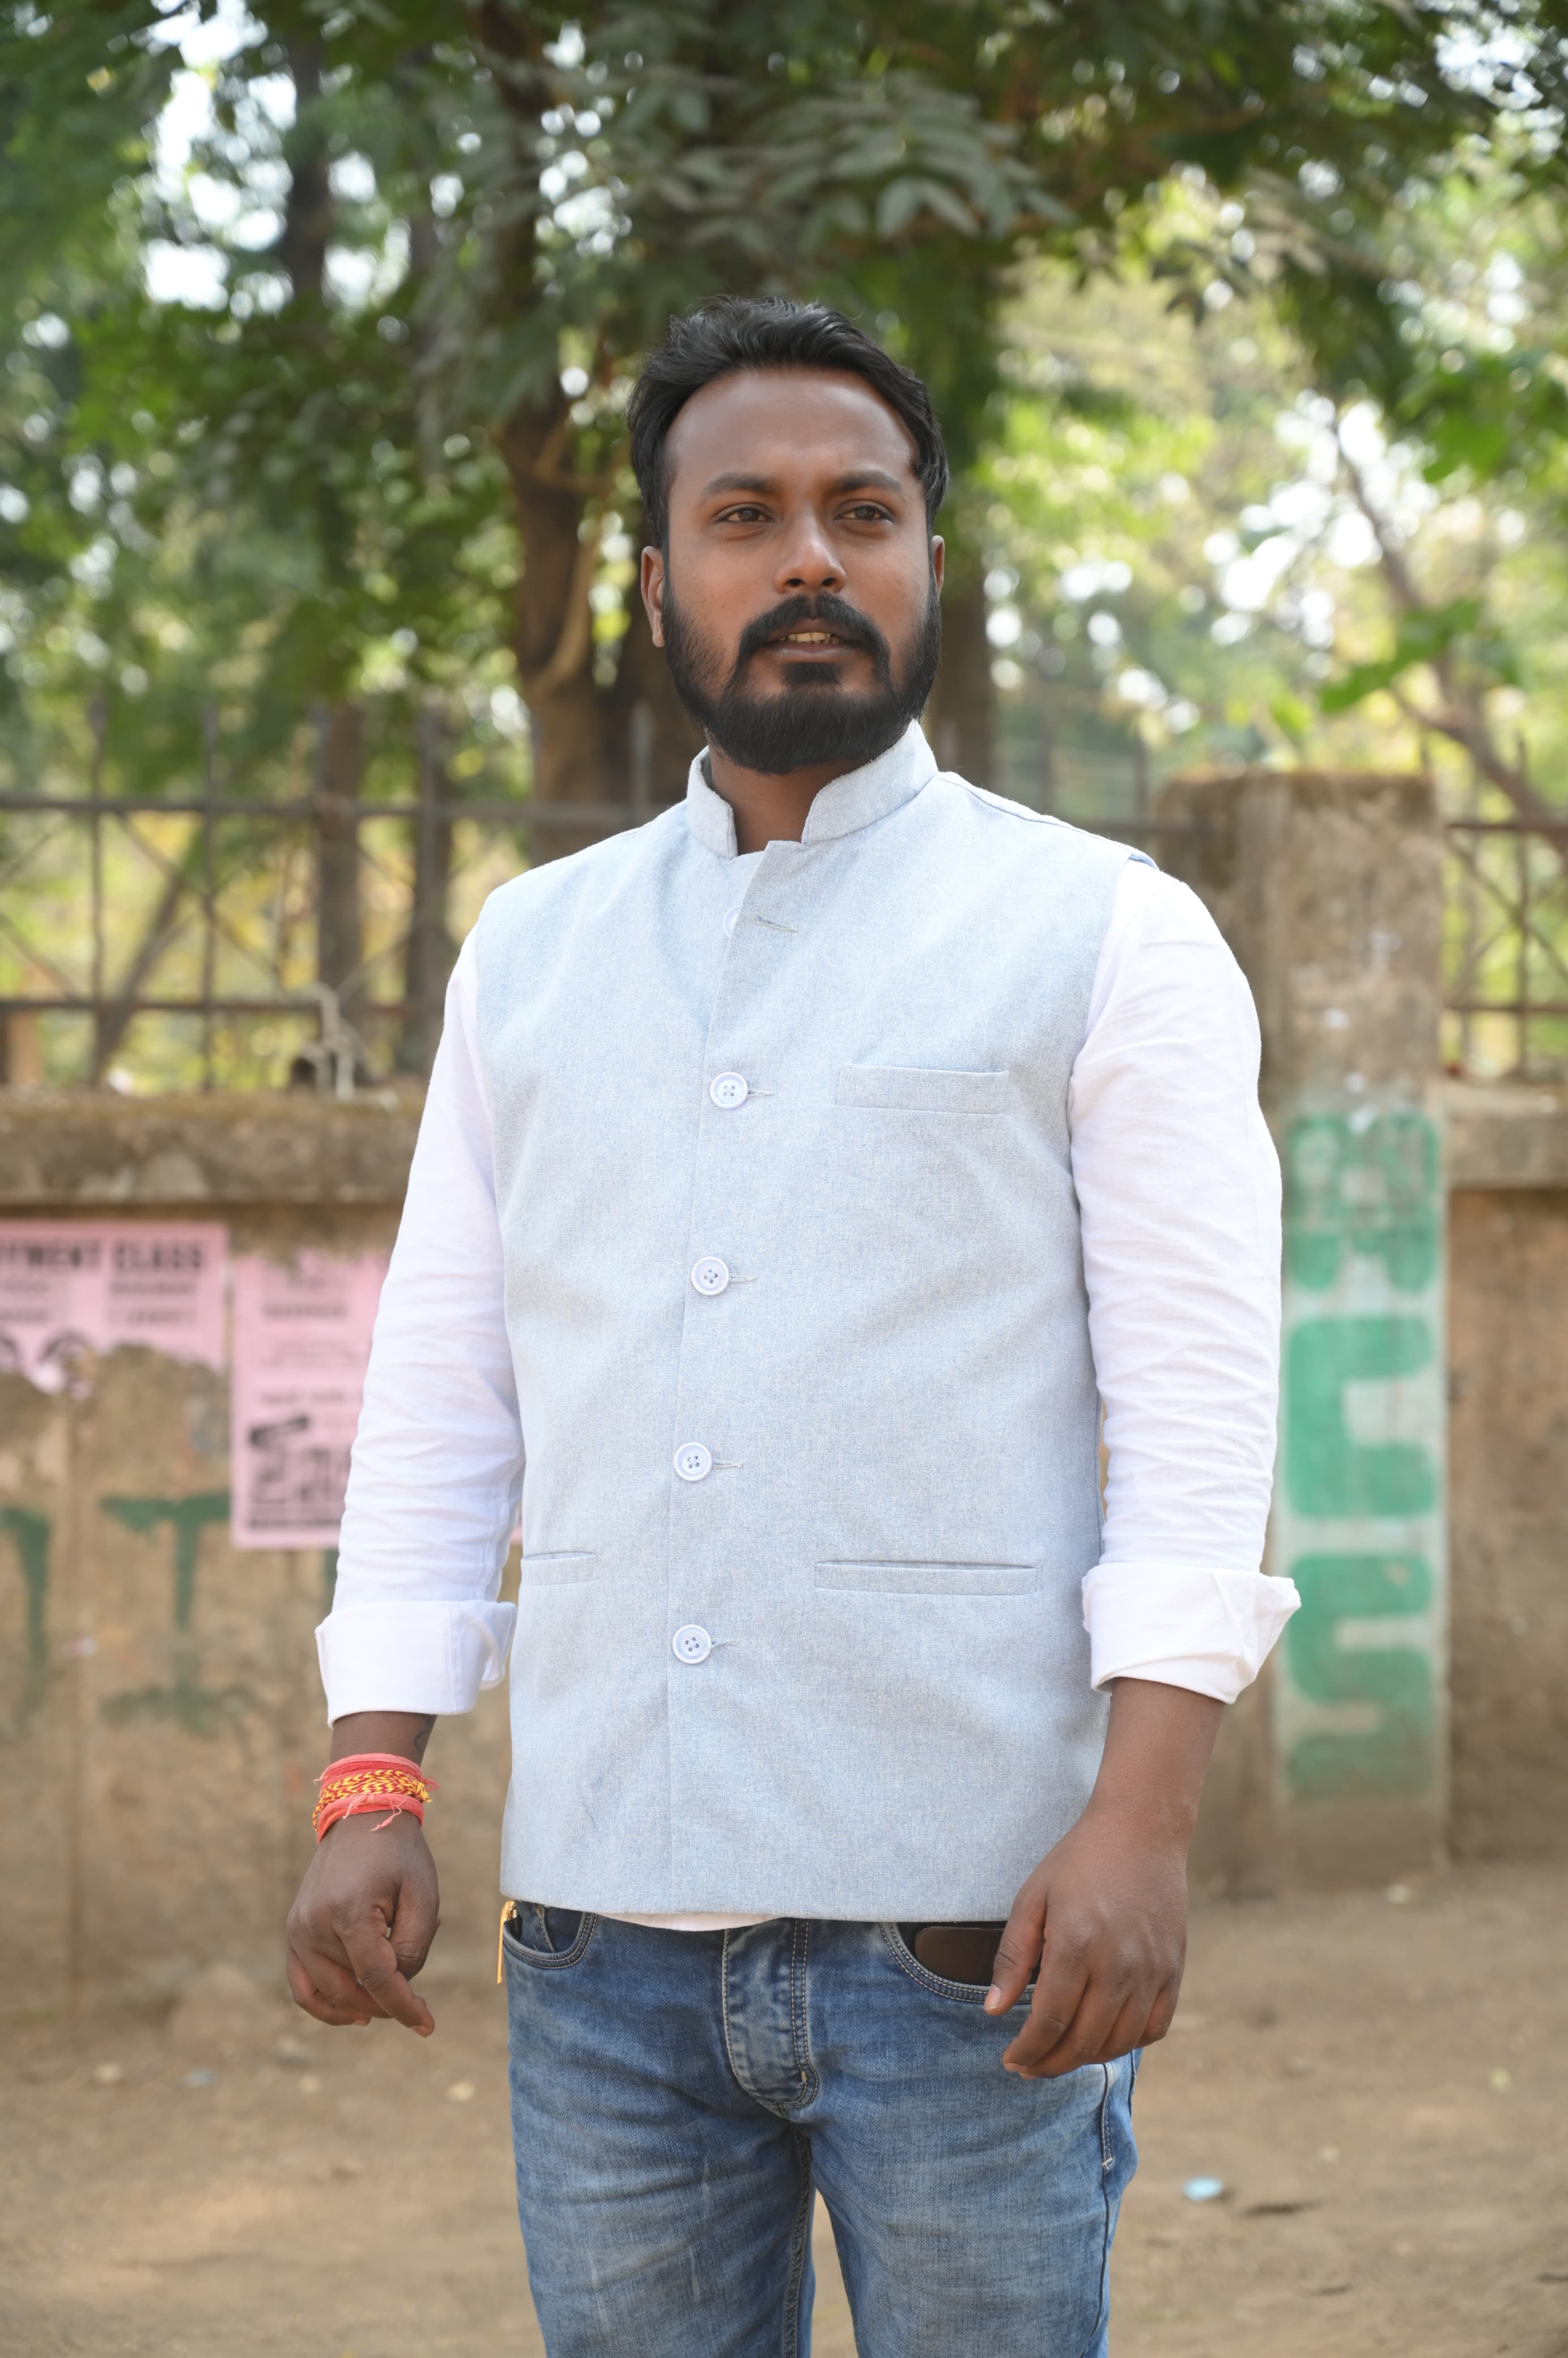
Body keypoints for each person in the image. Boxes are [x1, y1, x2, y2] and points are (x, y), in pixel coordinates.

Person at [286, 296, 1297, 2357]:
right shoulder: (532, 953)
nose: (811, 558)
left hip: (974, 1932)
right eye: (745, 516)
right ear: (659, 582)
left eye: (865, 511)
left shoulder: (1103, 931)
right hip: (598, 1942)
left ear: (929, 558)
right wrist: (370, 1777)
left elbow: (1199, 1405)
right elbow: (445, 1389)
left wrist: (1142, 1821)